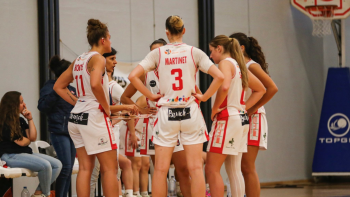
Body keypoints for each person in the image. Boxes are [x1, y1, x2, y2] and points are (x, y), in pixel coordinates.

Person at [128, 16, 224, 197]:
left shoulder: (158, 53)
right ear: (184, 30)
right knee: (195, 168)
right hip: (190, 112)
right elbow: (219, 77)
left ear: (167, 32)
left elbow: (133, 76)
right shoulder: (194, 52)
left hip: (166, 114)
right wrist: (204, 97)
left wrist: (150, 95)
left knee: (160, 170)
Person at [53, 18, 119, 197]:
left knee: (84, 168)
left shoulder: (79, 59)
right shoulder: (98, 59)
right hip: (93, 116)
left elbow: (58, 86)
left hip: (76, 117)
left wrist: (77, 103)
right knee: (110, 168)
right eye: (110, 38)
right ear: (103, 40)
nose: (111, 42)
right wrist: (106, 107)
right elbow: (96, 85)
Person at [121, 38, 193, 197]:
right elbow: (125, 97)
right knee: (160, 170)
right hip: (155, 124)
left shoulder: (178, 68)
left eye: (159, 50)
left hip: (177, 120)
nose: (156, 54)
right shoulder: (145, 74)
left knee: (183, 168)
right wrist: (141, 109)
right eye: (153, 51)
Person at [205, 35, 265, 197]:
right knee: (234, 170)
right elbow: (260, 89)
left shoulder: (225, 63)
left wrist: (214, 108)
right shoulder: (239, 65)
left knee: (211, 169)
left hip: (227, 119)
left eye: (211, 52)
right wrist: (243, 108)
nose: (211, 56)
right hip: (241, 119)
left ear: (219, 49)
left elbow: (224, 86)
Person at [229, 32, 278, 197]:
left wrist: (251, 109)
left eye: (232, 46)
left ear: (241, 48)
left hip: (254, 117)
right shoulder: (238, 66)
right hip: (243, 118)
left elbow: (272, 88)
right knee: (240, 166)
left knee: (247, 166)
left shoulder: (251, 66)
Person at [89, 47, 137, 197]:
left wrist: (123, 119)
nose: (115, 62)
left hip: (109, 134)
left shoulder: (112, 86)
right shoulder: (100, 85)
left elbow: (126, 111)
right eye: (112, 59)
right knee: (95, 172)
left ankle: (129, 193)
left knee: (110, 170)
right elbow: (115, 109)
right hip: (98, 131)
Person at [0, 91, 62, 197]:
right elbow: (22, 142)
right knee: (45, 166)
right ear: (13, 105)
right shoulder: (4, 122)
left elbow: (32, 138)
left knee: (57, 164)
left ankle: (38, 193)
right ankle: (46, 194)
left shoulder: (20, 120)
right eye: (21, 102)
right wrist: (27, 140)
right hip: (10, 155)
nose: (24, 104)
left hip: (25, 153)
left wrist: (29, 119)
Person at [37, 55, 76, 197]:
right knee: (65, 167)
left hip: (72, 133)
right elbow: (42, 106)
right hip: (58, 132)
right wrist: (57, 89)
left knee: (69, 168)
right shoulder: (50, 86)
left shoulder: (72, 89)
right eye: (71, 72)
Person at [119, 96, 150, 197]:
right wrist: (132, 133)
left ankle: (144, 193)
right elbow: (131, 113)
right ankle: (135, 193)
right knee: (135, 164)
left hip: (143, 132)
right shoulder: (144, 98)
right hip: (132, 130)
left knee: (145, 164)